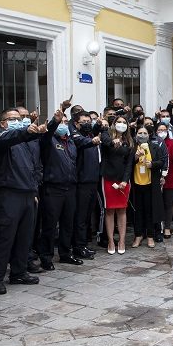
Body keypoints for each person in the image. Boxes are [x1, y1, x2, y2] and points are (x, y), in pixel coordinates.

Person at [0, 109, 45, 294]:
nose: (17, 122)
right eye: (12, 119)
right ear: (2, 123)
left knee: (24, 237)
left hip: (28, 193)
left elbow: (33, 166)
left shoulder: (24, 142)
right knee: (5, 238)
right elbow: (11, 137)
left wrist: (34, 189)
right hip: (8, 194)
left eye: (19, 119)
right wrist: (25, 131)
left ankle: (18, 272)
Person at [38, 110, 98, 270]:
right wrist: (54, 122)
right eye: (60, 122)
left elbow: (83, 145)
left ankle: (65, 253)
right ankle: (46, 257)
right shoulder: (48, 139)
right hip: (53, 188)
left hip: (70, 187)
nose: (63, 125)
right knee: (50, 225)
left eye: (65, 123)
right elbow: (48, 132)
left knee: (68, 223)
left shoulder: (70, 141)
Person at [100, 116, 134, 254]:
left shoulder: (130, 142)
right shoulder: (107, 136)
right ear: (113, 124)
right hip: (108, 178)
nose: (121, 124)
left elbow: (129, 164)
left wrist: (125, 180)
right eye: (118, 122)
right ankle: (110, 241)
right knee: (109, 211)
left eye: (124, 122)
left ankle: (121, 240)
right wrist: (113, 142)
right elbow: (105, 140)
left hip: (123, 180)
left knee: (122, 210)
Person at [72, 111, 101, 259]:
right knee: (80, 217)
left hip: (92, 181)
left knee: (87, 216)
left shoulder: (89, 134)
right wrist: (92, 141)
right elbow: (81, 143)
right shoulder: (76, 136)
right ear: (77, 123)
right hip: (82, 182)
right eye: (84, 121)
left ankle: (83, 244)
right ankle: (78, 247)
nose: (88, 123)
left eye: (89, 120)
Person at [131, 126, 160, 248]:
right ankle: (138, 235)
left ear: (149, 135)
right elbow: (127, 164)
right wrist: (136, 157)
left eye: (145, 133)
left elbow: (161, 162)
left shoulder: (154, 147)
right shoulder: (133, 147)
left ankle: (150, 236)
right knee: (138, 212)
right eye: (140, 133)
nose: (142, 135)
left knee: (149, 211)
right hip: (136, 185)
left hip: (150, 185)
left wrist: (152, 164)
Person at [158, 122, 173, 238]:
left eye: (164, 130)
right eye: (160, 130)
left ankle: (166, 227)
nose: (162, 132)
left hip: (170, 178)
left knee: (168, 204)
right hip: (156, 178)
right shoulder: (154, 142)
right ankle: (158, 227)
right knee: (157, 204)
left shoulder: (171, 142)